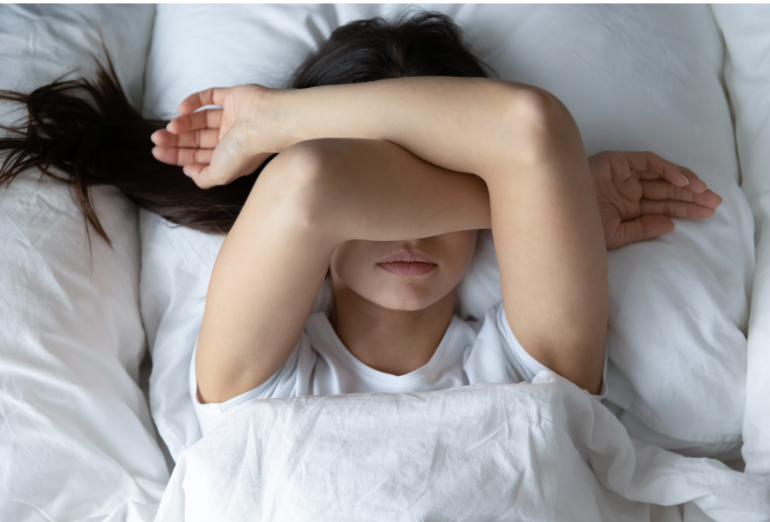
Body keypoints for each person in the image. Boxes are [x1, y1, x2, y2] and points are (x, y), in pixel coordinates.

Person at [0, 11, 722, 436]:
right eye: (384, 189)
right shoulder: (261, 389)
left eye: (422, 186)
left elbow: (528, 131)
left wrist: (273, 121)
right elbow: (310, 185)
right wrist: (544, 203)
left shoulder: (528, 369)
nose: (407, 227)